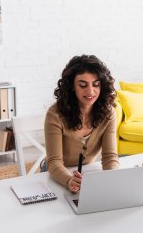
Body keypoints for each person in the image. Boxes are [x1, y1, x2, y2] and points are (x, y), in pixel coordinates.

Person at [44, 55, 120, 193]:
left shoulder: (108, 113)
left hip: (88, 174)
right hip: (58, 175)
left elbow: (110, 157)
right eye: (83, 85)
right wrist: (68, 180)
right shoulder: (55, 114)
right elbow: (54, 162)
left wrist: (113, 178)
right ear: (72, 86)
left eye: (96, 84)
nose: (90, 91)